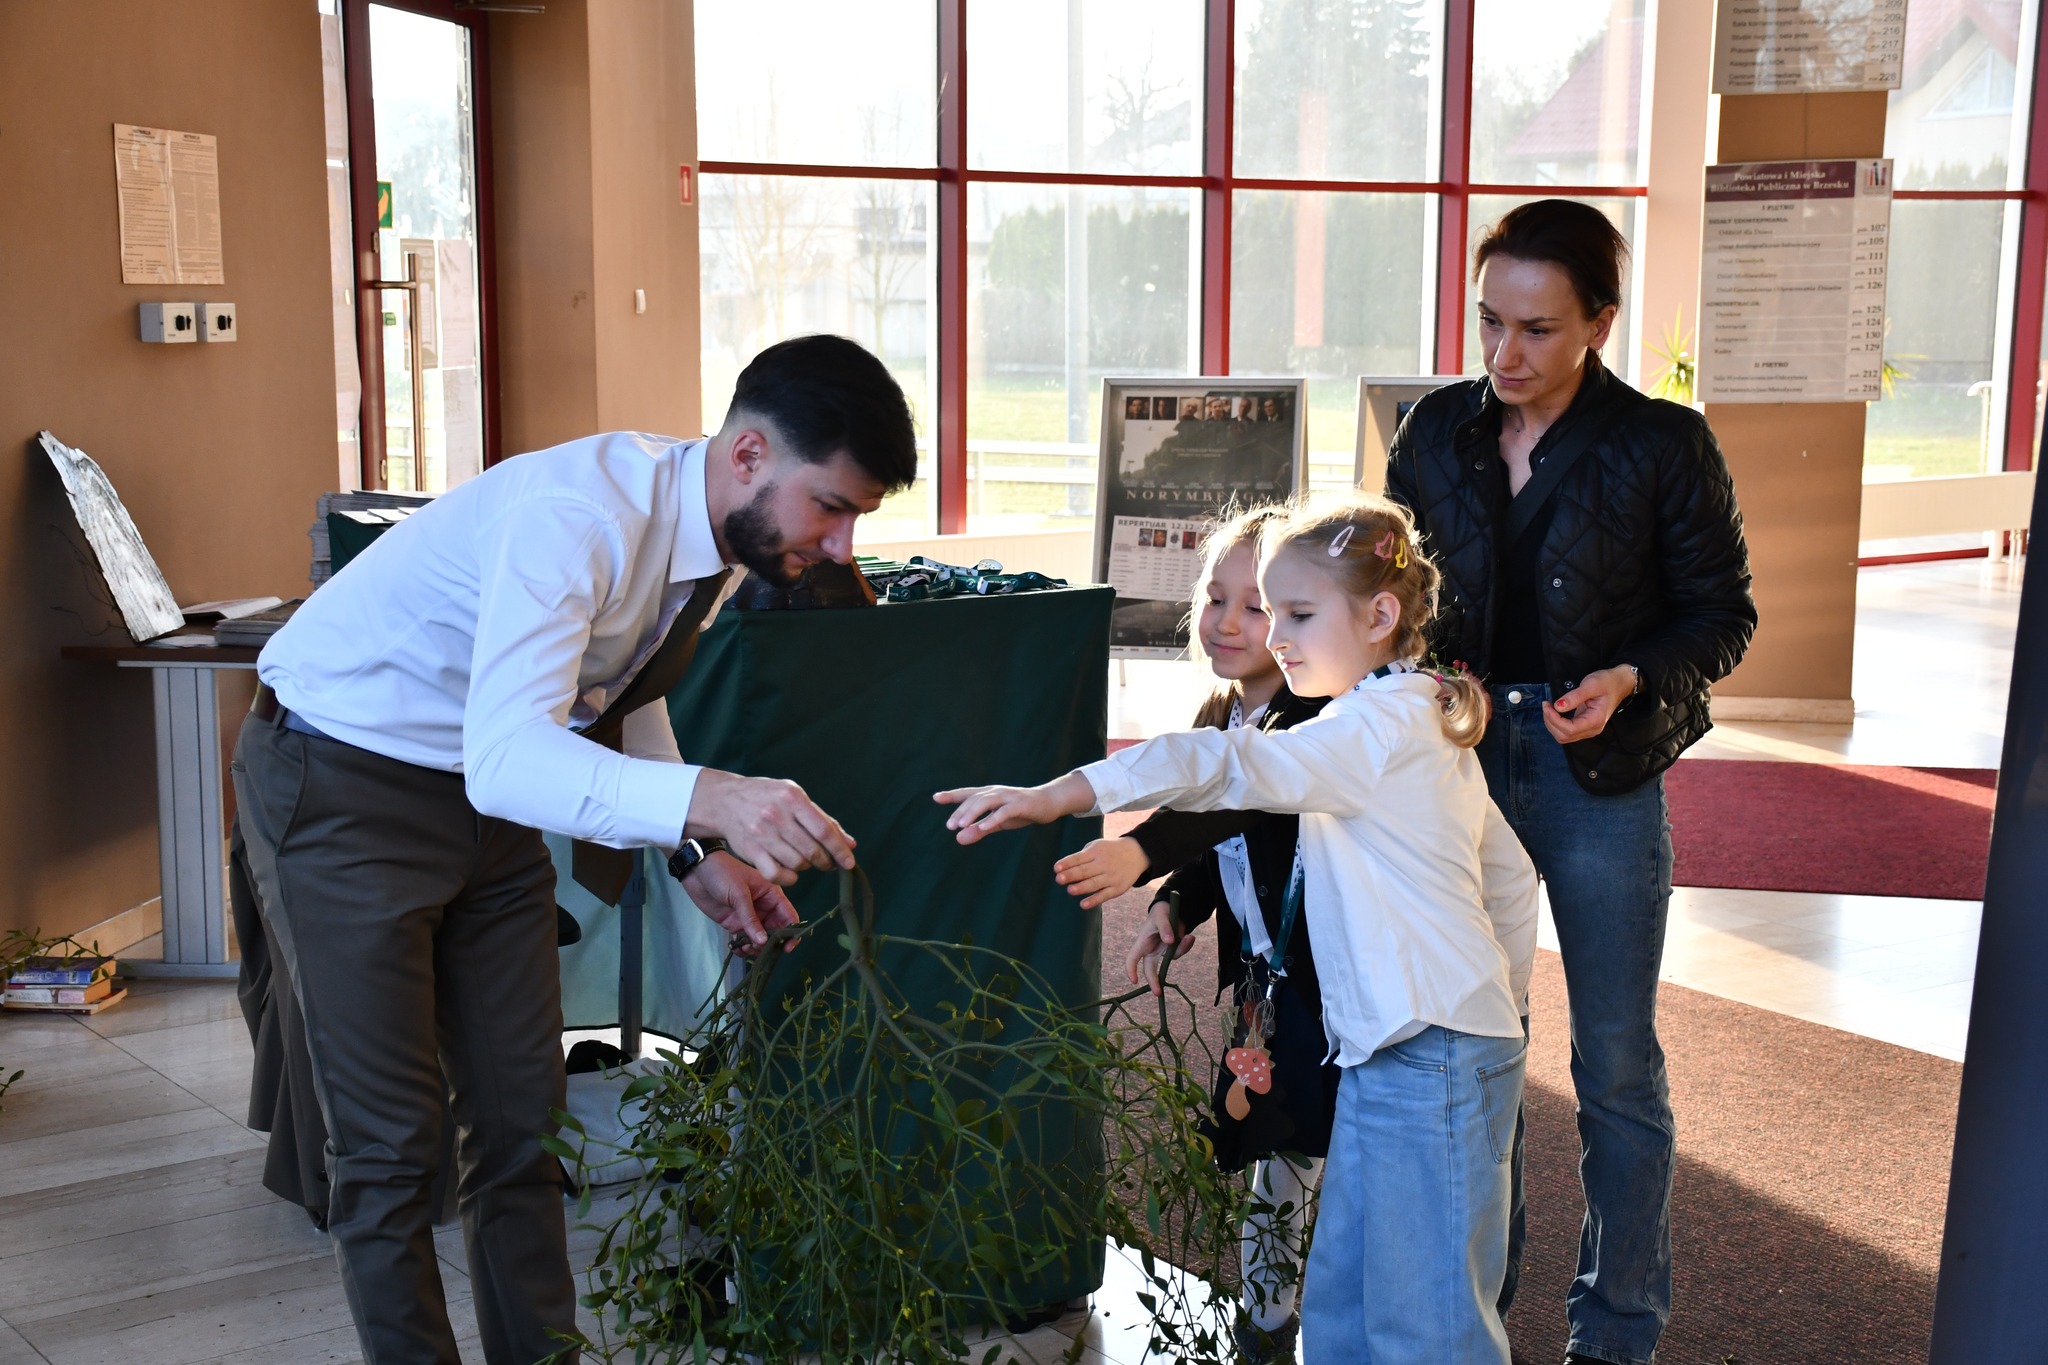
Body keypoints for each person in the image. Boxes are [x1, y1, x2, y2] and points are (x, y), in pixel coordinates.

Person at [232, 334, 918, 1365]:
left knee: (522, 1130)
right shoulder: (577, 520)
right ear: (746, 455)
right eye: (831, 506)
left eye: (856, 517)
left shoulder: (715, 539)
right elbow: (512, 758)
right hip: (344, 783)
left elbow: (612, 694)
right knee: (390, 1152)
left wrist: (697, 855)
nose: (840, 547)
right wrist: (716, 798)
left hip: (484, 796)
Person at [936, 497, 1539, 1364]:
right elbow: (1509, 879)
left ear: (1379, 615)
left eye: (1296, 612)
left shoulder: (1383, 726)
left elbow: (1224, 763)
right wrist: (1506, 1005)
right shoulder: (1388, 715)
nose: (1279, 635)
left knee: (1430, 1321)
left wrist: (1063, 795)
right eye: (1272, 610)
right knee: (1342, 1302)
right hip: (1394, 1046)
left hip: (1434, 1049)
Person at [1384, 199, 1755, 1365]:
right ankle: (1475, 1305)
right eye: (1488, 321)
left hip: (1596, 765)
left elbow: (1721, 613)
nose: (1502, 355)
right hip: (1454, 763)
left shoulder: (1662, 444)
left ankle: (1616, 1330)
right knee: (1474, 1050)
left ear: (1598, 322)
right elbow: (1390, 596)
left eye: (1536, 330)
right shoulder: (1432, 432)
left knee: (1613, 1063)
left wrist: (1634, 671)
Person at [1050, 504, 1339, 1361]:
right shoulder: (1226, 709)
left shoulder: (1311, 719)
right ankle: (1269, 1316)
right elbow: (1222, 842)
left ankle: (1294, 1319)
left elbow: (1235, 800)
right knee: (1274, 1151)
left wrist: (1139, 851)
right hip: (1264, 979)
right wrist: (1178, 904)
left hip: (1326, 983)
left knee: (1308, 1149)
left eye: (1260, 606)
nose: (1229, 620)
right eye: (1218, 597)